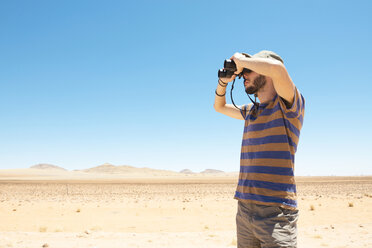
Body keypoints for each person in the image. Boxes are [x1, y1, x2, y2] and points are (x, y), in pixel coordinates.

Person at [214, 50, 305, 248]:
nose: (244, 74)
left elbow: (279, 70)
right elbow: (219, 107)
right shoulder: (250, 111)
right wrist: (223, 82)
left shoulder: (289, 106)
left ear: (267, 72)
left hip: (276, 213)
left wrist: (242, 61)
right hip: (245, 208)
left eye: (250, 70)